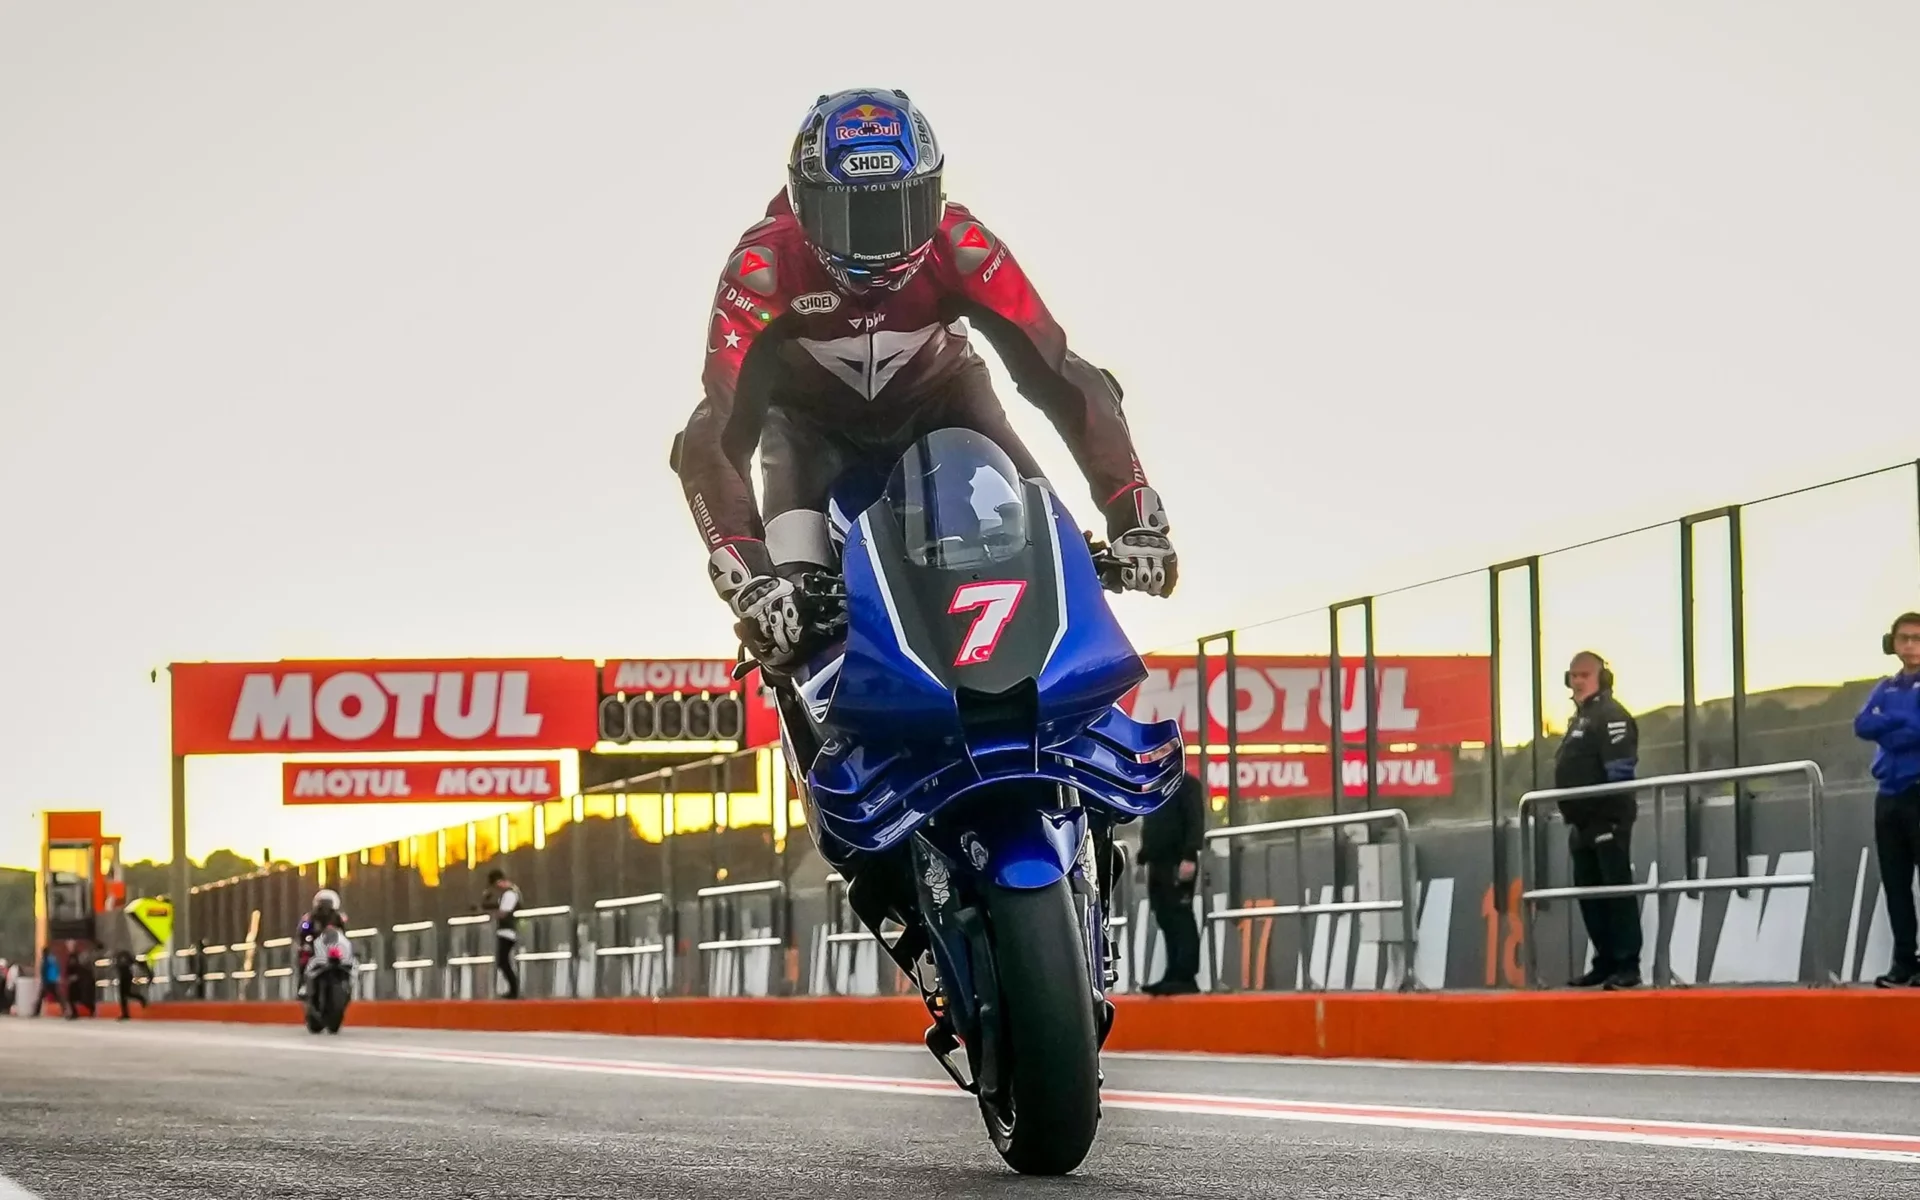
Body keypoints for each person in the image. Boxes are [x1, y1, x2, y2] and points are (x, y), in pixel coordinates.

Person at [672, 88, 1178, 677]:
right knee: (788, 635)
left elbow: (1059, 374)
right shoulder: (762, 271)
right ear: (804, 204)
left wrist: (1133, 514)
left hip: (949, 408)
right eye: (852, 215)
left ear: (933, 195)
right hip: (810, 437)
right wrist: (751, 577)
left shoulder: (965, 248)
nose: (880, 239)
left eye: (901, 209)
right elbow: (718, 426)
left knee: (1059, 560)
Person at [1554, 651, 1642, 990]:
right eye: (1573, 675)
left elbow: (1620, 771)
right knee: (1590, 895)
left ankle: (1627, 966)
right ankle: (1604, 962)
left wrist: (1605, 813)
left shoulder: (1611, 715)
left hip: (1607, 819)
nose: (1577, 681)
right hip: (1581, 823)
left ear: (1602, 678)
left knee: (1616, 892)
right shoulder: (1580, 719)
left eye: (1584, 675)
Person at [1854, 611, 1920, 988]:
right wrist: (1900, 725)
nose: (1909, 645)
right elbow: (1862, 724)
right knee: (1896, 884)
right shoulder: (1885, 686)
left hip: (1918, 789)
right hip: (1888, 795)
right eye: (1903, 638)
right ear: (1892, 644)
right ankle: (1904, 962)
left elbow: (1915, 730)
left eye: (1916, 638)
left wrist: (1888, 726)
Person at [1139, 771, 1206, 996]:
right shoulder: (1157, 785)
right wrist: (1145, 853)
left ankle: (1185, 975)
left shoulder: (1187, 784)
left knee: (1180, 914)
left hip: (1177, 860)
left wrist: (1189, 855)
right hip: (1157, 861)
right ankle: (1172, 973)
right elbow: (1153, 823)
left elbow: (1195, 820)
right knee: (1164, 915)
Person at [295, 889, 349, 998]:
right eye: (323, 904)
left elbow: (344, 933)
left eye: (327, 904)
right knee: (304, 958)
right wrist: (305, 943)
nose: (325, 907)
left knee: (349, 960)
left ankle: (346, 982)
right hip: (314, 947)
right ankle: (304, 984)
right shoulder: (310, 918)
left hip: (332, 946)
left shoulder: (338, 917)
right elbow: (302, 932)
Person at [481, 869, 521, 1000]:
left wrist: (493, 914)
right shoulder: (510, 892)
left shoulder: (510, 893)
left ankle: (514, 990)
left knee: (503, 961)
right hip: (506, 931)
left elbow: (504, 913)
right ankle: (513, 990)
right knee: (503, 961)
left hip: (508, 931)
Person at [113, 949, 147, 1020]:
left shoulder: (123, 955)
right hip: (124, 976)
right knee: (124, 995)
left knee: (125, 994)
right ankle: (125, 1013)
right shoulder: (121, 955)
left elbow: (132, 962)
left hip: (126, 976)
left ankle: (140, 998)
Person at [64, 950, 96, 1019]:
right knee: (70, 999)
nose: (72, 961)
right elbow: (67, 975)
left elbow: (81, 976)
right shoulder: (69, 967)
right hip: (72, 986)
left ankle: (92, 1009)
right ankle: (74, 1013)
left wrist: (76, 978)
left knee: (84, 1000)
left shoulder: (79, 967)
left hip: (79, 986)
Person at [34, 947, 63, 1018]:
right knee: (57, 996)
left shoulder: (47, 960)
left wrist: (43, 979)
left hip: (48, 981)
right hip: (51, 981)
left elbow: (43, 971)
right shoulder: (52, 959)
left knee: (41, 997)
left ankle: (36, 1012)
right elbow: (55, 969)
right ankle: (65, 1010)